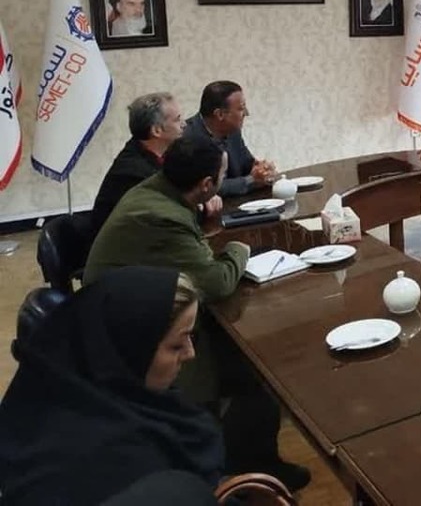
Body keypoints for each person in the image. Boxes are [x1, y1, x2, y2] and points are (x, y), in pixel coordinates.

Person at [83, 137, 309, 492]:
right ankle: (233, 466)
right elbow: (217, 282)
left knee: (246, 358)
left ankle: (247, 455)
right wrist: (239, 248)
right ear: (206, 185)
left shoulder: (156, 191)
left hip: (129, 306)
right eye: (221, 175)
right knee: (249, 361)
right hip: (126, 333)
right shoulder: (163, 216)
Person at [0, 267, 224, 505]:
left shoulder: (61, 386)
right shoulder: (126, 463)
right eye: (176, 345)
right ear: (133, 350)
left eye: (192, 337)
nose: (190, 353)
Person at [91, 92, 189, 237]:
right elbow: (173, 213)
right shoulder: (135, 172)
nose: (184, 124)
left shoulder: (162, 153)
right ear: (156, 130)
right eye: (177, 120)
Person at [183, 80, 277, 197]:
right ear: (220, 114)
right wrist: (251, 180)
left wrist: (264, 171)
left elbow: (247, 165)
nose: (246, 113)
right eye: (241, 108)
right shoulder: (187, 137)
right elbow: (205, 188)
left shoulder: (232, 130)